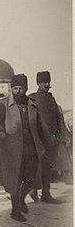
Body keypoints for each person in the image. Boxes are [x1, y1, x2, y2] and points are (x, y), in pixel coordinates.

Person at [0, 74, 52, 222]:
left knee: (32, 177)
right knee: (15, 179)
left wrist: (47, 144)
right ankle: (15, 210)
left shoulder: (32, 104)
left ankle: (20, 198)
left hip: (31, 146)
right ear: (11, 88)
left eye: (21, 88)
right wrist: (0, 133)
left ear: (26, 89)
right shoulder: (3, 104)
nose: (18, 92)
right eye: (15, 88)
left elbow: (41, 126)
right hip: (11, 148)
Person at [29, 71, 64, 203]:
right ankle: (34, 190)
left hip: (52, 139)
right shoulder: (32, 99)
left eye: (48, 82)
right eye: (44, 82)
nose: (47, 84)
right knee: (38, 166)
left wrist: (59, 133)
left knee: (47, 167)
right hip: (39, 140)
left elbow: (56, 117)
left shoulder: (51, 98)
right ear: (38, 83)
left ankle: (45, 193)